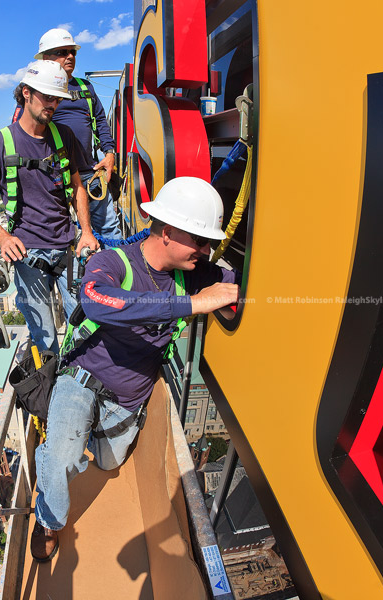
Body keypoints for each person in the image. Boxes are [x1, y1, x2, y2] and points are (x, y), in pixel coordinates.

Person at [30, 176, 240, 562]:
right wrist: (190, 305)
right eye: (200, 240)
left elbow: (235, 286)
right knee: (61, 458)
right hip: (83, 378)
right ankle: (48, 516)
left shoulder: (193, 273)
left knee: (108, 462)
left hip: (127, 397)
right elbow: (96, 300)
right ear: (167, 231)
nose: (208, 250)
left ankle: (78, 436)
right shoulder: (115, 261)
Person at [0, 60, 99, 353]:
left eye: (57, 99)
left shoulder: (63, 136)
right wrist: (3, 237)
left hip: (67, 248)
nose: (52, 104)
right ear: (26, 92)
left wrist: (86, 232)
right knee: (45, 339)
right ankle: (48, 389)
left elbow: (78, 186)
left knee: (86, 327)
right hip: (29, 255)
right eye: (47, 97)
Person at [15, 28, 122, 240]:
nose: (70, 56)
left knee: (109, 228)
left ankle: (114, 269)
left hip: (88, 171)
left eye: (72, 52)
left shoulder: (84, 88)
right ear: (46, 58)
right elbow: (23, 131)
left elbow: (100, 120)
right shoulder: (36, 90)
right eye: (63, 52)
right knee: (59, 233)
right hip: (53, 174)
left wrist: (109, 153)